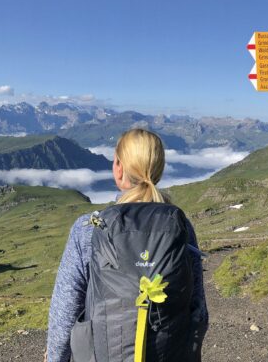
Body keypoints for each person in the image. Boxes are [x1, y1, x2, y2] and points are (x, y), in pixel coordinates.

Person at [45, 129, 208, 362]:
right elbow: (198, 307)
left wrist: (55, 358)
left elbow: (65, 313)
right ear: (159, 169)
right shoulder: (180, 228)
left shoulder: (89, 228)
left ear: (119, 168)